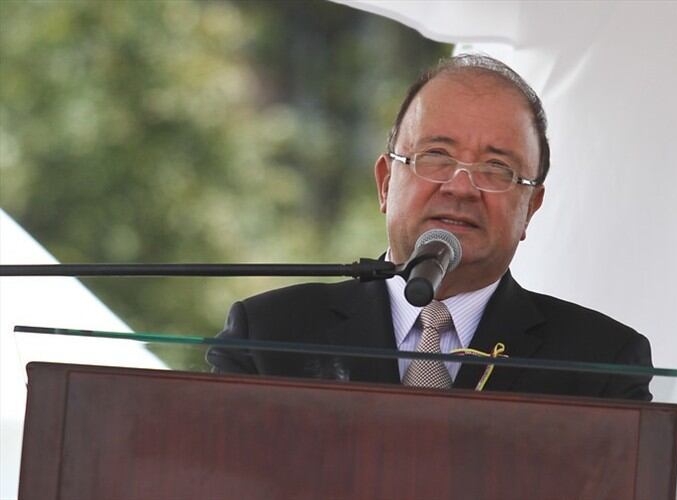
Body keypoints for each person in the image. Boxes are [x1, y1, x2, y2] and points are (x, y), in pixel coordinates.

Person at [208, 54, 652, 401]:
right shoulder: (269, 335)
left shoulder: (602, 363)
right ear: (385, 183)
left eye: (497, 168)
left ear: (531, 207)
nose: (461, 187)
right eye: (435, 155)